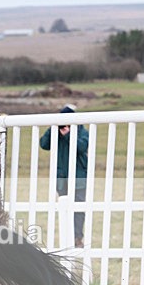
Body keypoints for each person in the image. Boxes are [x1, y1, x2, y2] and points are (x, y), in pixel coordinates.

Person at [39, 105, 89, 248]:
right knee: (64, 208)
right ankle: (67, 237)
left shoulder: (81, 131)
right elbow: (44, 144)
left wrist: (68, 135)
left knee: (78, 209)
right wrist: (53, 128)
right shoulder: (56, 132)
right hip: (61, 176)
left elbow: (81, 147)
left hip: (78, 176)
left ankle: (77, 238)